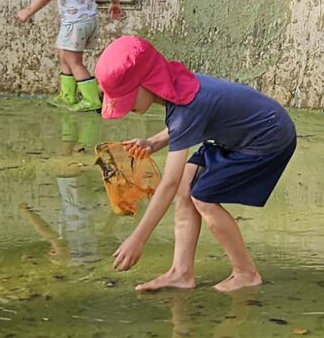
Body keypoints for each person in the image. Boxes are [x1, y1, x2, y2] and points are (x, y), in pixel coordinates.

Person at [98, 36, 296, 294]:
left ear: (147, 83)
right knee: (186, 186)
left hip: (267, 140)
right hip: (244, 134)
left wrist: (138, 238)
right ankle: (181, 272)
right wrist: (154, 142)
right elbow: (190, 121)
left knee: (202, 196)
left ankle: (246, 272)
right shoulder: (179, 85)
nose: (126, 108)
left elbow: (167, 183)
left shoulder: (186, 109)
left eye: (127, 97)